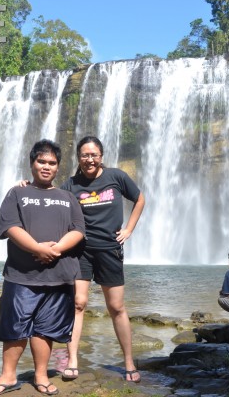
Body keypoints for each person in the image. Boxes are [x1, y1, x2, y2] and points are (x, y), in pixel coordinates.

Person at [0, 139, 85, 396]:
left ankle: (41, 376)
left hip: (59, 275)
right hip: (21, 275)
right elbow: (10, 227)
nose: (46, 166)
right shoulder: (17, 193)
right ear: (32, 163)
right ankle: (7, 376)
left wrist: (56, 249)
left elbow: (78, 231)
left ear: (58, 167)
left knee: (45, 330)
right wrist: (38, 249)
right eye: (41, 161)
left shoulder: (68, 197)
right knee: (14, 327)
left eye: (52, 163)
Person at [60, 136, 145, 382]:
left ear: (101, 156)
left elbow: (140, 199)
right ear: (78, 157)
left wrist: (129, 229)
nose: (89, 159)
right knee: (78, 303)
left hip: (110, 249)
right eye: (84, 155)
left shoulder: (116, 177)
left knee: (116, 307)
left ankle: (129, 362)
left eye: (93, 155)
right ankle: (72, 359)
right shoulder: (71, 185)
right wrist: (26, 186)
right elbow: (51, 201)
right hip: (81, 251)